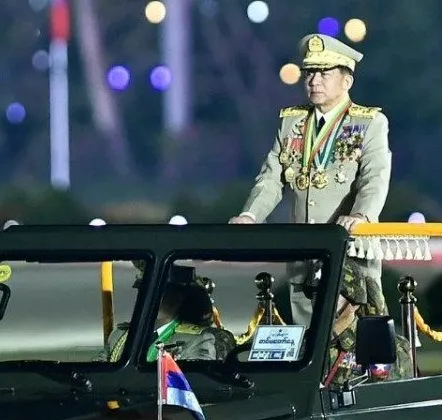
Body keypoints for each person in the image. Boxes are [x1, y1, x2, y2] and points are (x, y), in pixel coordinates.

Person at [228, 32, 392, 332]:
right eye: (309, 73)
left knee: (352, 337)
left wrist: (361, 215)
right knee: (306, 330)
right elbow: (272, 175)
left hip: (349, 248)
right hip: (303, 249)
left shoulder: (368, 123)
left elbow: (375, 177)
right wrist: (250, 214)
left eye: (324, 73)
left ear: (347, 81)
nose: (314, 80)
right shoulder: (292, 122)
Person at [104, 267, 236, 363]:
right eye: (143, 292)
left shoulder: (200, 339)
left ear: (177, 299)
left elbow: (194, 388)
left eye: (156, 294)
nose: (147, 300)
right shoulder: (118, 336)